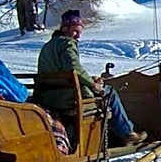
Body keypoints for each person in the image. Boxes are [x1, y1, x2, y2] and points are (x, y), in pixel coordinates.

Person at [36, 10, 146, 145]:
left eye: (79, 31)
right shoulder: (67, 43)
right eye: (75, 31)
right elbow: (73, 69)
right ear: (65, 28)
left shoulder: (47, 46)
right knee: (110, 93)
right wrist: (93, 85)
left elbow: (67, 70)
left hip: (48, 96)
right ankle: (127, 133)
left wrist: (89, 78)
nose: (78, 35)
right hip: (67, 97)